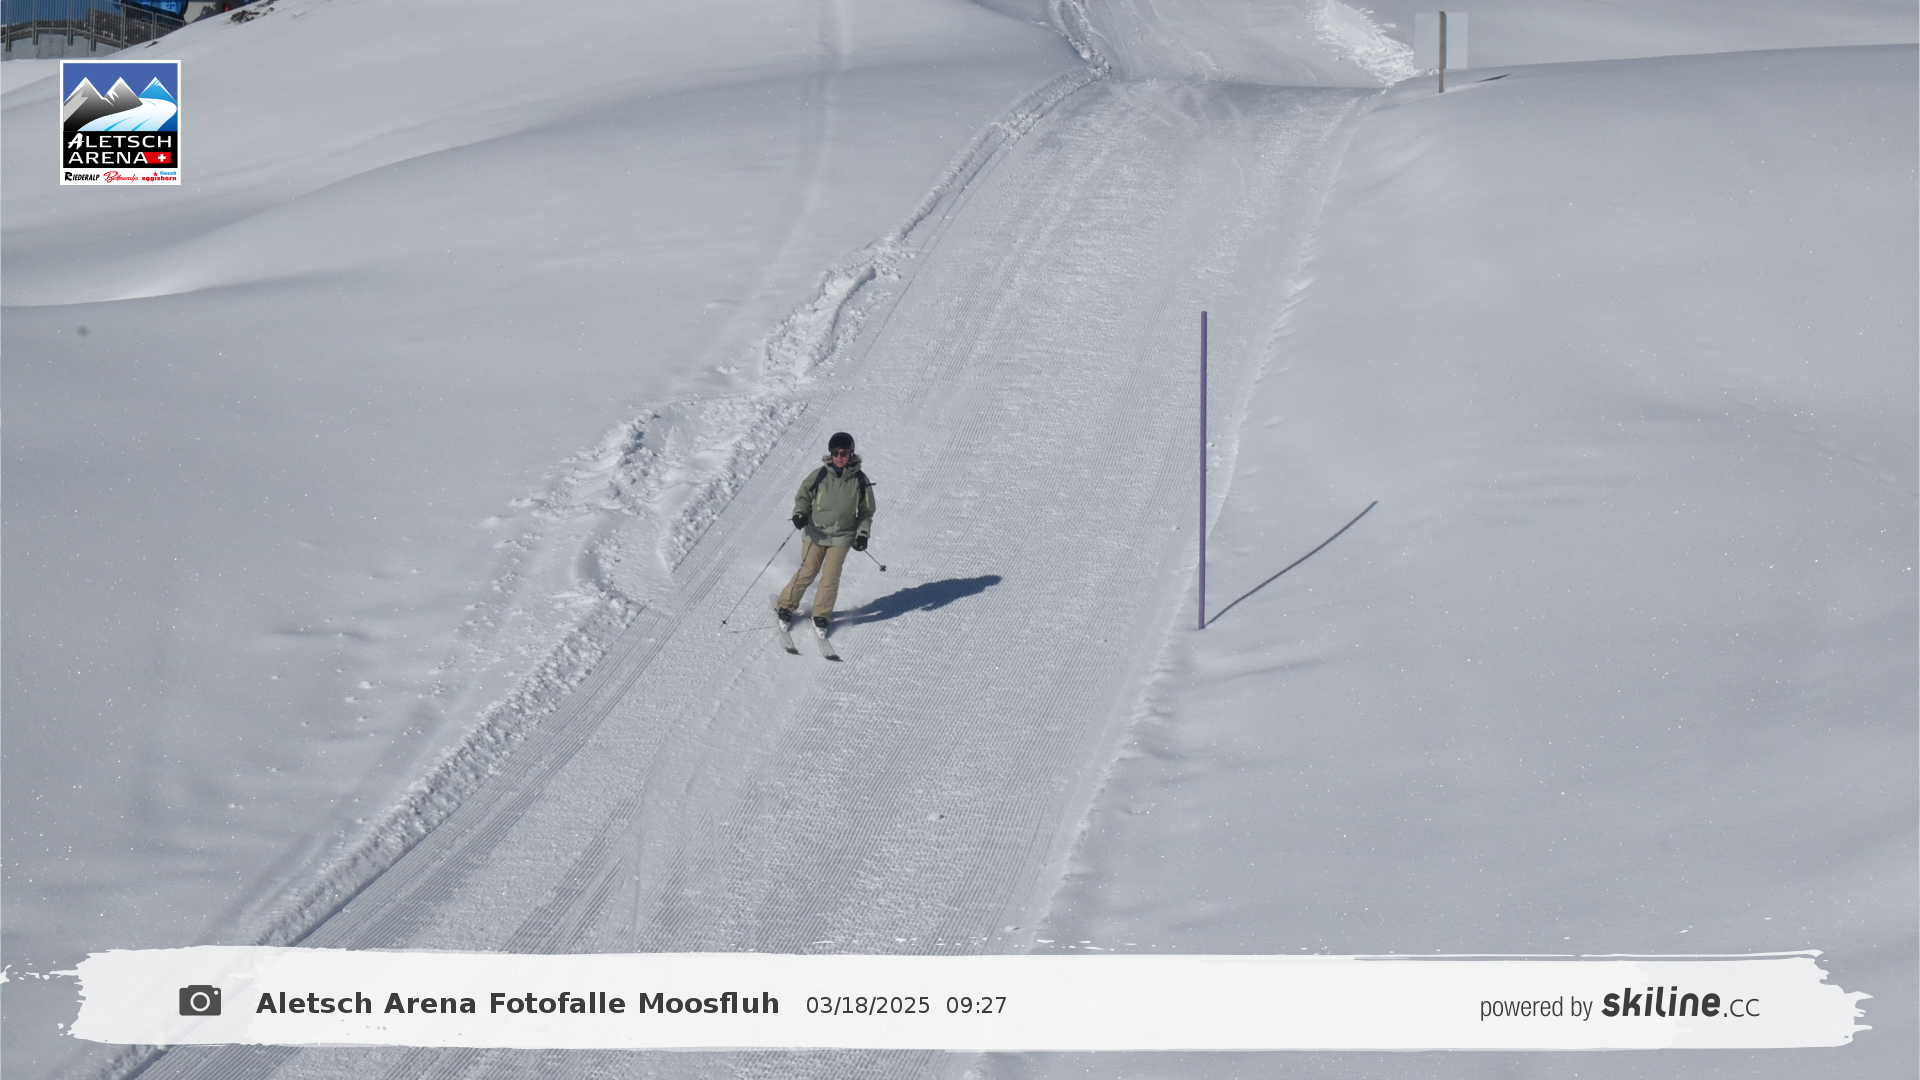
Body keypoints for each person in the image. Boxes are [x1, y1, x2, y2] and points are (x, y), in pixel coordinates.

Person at [777, 432, 875, 630]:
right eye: (835, 452)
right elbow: (803, 497)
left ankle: (821, 614)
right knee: (808, 571)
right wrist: (799, 513)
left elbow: (866, 511)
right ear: (831, 454)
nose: (839, 457)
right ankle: (785, 605)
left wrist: (863, 534)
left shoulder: (860, 480)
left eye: (843, 453)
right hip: (816, 532)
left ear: (850, 454)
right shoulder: (820, 475)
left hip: (842, 536)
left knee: (831, 576)